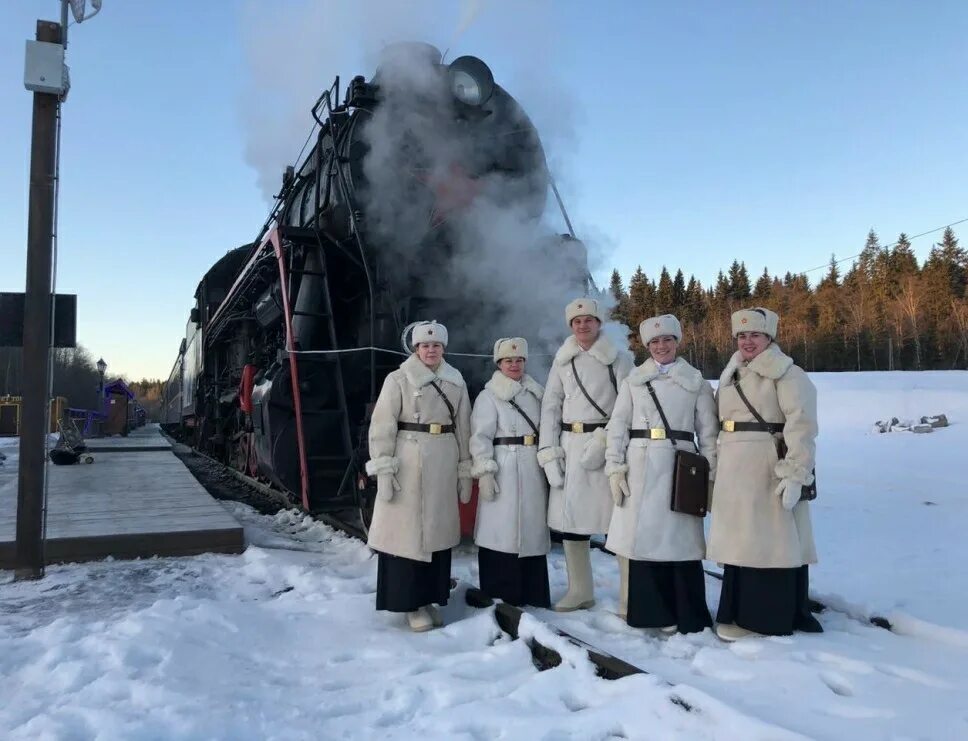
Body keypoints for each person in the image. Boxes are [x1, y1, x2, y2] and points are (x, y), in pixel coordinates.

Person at [708, 307, 823, 641]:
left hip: (766, 468)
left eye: (754, 335)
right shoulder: (732, 373)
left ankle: (764, 618)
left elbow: (802, 425)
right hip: (733, 468)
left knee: (769, 543)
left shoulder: (788, 374)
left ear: (769, 337)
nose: (747, 341)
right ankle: (736, 610)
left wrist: (795, 472)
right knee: (741, 542)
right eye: (742, 336)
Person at [604, 315, 718, 633]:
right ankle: (650, 612)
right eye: (654, 342)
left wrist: (709, 477)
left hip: (679, 467)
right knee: (643, 543)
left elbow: (708, 433)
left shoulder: (695, 381)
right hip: (639, 466)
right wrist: (615, 466)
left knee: (679, 542)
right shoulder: (634, 380)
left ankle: (686, 613)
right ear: (647, 346)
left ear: (677, 342)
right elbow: (617, 426)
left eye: (667, 340)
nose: (661, 346)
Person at [364, 320, 473, 632]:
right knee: (408, 538)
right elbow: (383, 424)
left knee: (435, 537)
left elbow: (464, 426)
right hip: (408, 461)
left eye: (436, 345)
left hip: (443, 458)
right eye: (425, 345)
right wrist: (383, 467)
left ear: (443, 348)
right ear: (416, 348)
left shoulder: (456, 381)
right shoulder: (397, 379)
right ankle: (410, 604)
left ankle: (428, 598)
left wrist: (465, 468)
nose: (431, 350)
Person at [538, 297, 633, 611]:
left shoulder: (617, 359)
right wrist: (549, 450)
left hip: (605, 446)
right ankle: (580, 591)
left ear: (599, 323)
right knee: (572, 524)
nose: (583, 326)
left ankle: (629, 596)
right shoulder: (562, 360)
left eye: (588, 320)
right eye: (577, 322)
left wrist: (607, 441)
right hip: (570, 446)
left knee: (617, 524)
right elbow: (551, 407)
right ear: (571, 326)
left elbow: (628, 405)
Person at [469, 337, 551, 607]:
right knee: (501, 532)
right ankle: (501, 591)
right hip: (503, 465)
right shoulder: (488, 396)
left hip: (532, 466)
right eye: (508, 361)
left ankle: (533, 591)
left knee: (531, 531)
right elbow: (480, 436)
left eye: (519, 360)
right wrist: (485, 471)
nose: (514, 365)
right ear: (499, 364)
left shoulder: (537, 394)